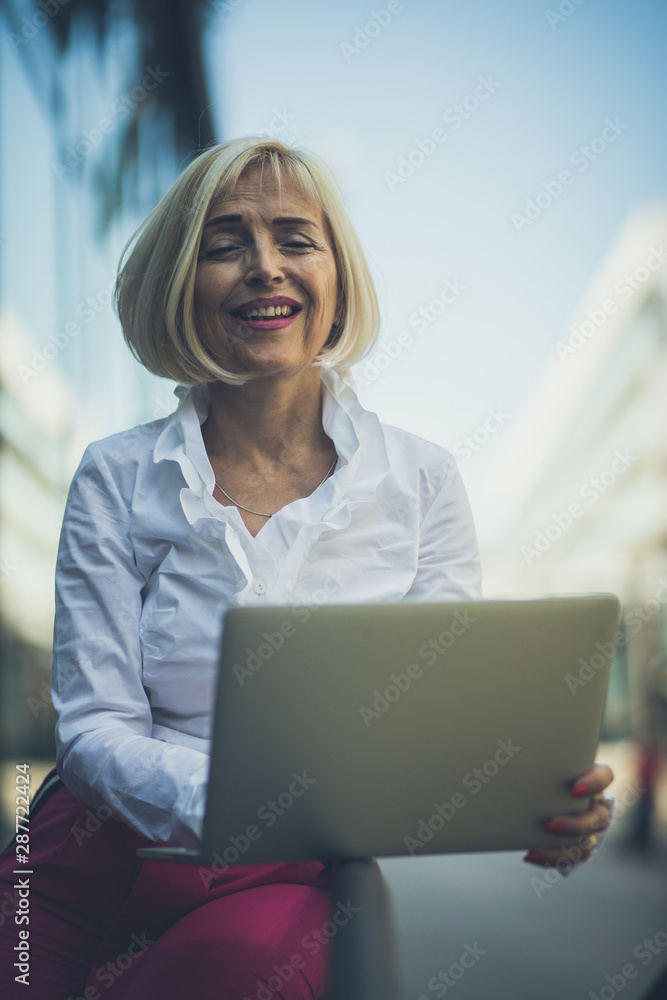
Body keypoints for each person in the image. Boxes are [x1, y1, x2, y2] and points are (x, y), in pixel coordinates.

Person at [0, 137, 613, 999]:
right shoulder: (115, 473)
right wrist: (244, 792)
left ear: (336, 274)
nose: (263, 267)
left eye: (295, 238)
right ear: (184, 281)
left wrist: (542, 807)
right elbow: (94, 726)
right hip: (80, 868)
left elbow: (439, 727)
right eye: (225, 245)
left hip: (282, 878)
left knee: (234, 977)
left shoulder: (423, 479)